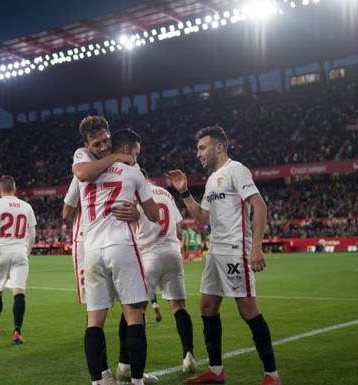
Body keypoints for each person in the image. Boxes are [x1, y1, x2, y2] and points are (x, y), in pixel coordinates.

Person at [169, 126, 281, 385]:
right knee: (207, 307)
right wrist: (184, 192)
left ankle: (272, 376)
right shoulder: (211, 179)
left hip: (235, 250)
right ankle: (216, 372)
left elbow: (259, 205)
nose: (198, 153)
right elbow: (203, 217)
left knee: (247, 310)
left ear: (218, 147)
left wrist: (256, 247)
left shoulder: (236, 169)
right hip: (215, 251)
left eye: (202, 147)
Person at [63, 116, 154, 384]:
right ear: (86, 145)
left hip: (91, 249)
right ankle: (133, 378)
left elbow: (69, 205)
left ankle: (103, 379)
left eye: (107, 141)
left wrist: (133, 211)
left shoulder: (85, 173)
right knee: (135, 312)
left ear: (112, 137)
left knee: (95, 319)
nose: (103, 147)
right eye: (97, 143)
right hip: (120, 245)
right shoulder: (92, 163)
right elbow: (155, 214)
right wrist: (117, 158)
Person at [136, 168, 197, 373]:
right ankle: (188, 354)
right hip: (173, 253)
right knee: (178, 306)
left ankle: (135, 368)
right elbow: (179, 229)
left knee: (136, 311)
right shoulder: (166, 193)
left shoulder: (136, 194)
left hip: (148, 255)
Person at [0, 175, 37, 345]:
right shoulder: (26, 206)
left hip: (1, 252)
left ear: (0, 189)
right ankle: (17, 332)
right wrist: (26, 251)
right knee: (19, 292)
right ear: (15, 188)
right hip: (20, 252)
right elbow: (32, 232)